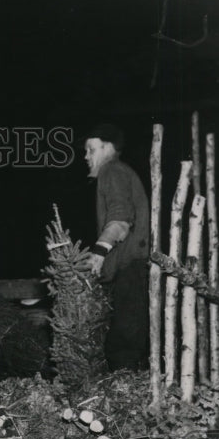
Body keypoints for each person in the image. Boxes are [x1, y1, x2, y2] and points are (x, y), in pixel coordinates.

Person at [82, 123, 150, 370]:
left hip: (131, 264)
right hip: (129, 264)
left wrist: (99, 252)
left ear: (107, 147)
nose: (86, 156)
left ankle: (125, 389)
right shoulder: (120, 172)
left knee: (125, 338)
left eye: (91, 149)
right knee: (127, 333)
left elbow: (121, 219)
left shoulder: (112, 171)